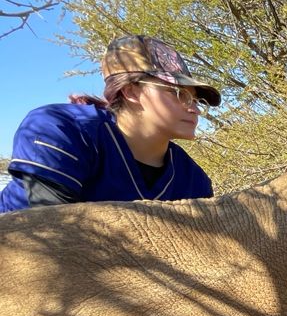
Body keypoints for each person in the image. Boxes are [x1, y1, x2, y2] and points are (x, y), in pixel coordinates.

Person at [0, 35, 221, 212]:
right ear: (131, 91)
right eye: (179, 94)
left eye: (196, 99)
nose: (195, 109)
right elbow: (55, 236)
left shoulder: (193, 179)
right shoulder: (59, 130)